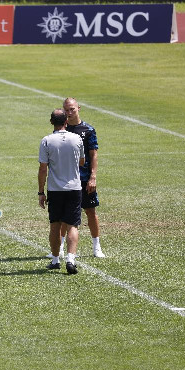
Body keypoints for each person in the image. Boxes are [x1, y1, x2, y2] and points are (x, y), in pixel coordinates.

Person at [38, 109, 85, 274]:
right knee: (72, 225)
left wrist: (40, 192)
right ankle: (71, 259)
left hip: (55, 189)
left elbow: (43, 169)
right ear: (66, 121)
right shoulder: (77, 138)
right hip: (74, 188)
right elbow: (81, 162)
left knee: (55, 226)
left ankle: (55, 260)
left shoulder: (46, 141)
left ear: (51, 122)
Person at [63, 97, 105, 258]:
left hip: (84, 177)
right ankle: (59, 249)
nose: (69, 112)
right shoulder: (62, 129)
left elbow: (93, 155)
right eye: (66, 110)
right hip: (66, 178)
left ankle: (97, 247)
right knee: (64, 215)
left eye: (72, 109)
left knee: (90, 211)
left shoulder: (88, 130)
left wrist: (93, 177)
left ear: (78, 108)